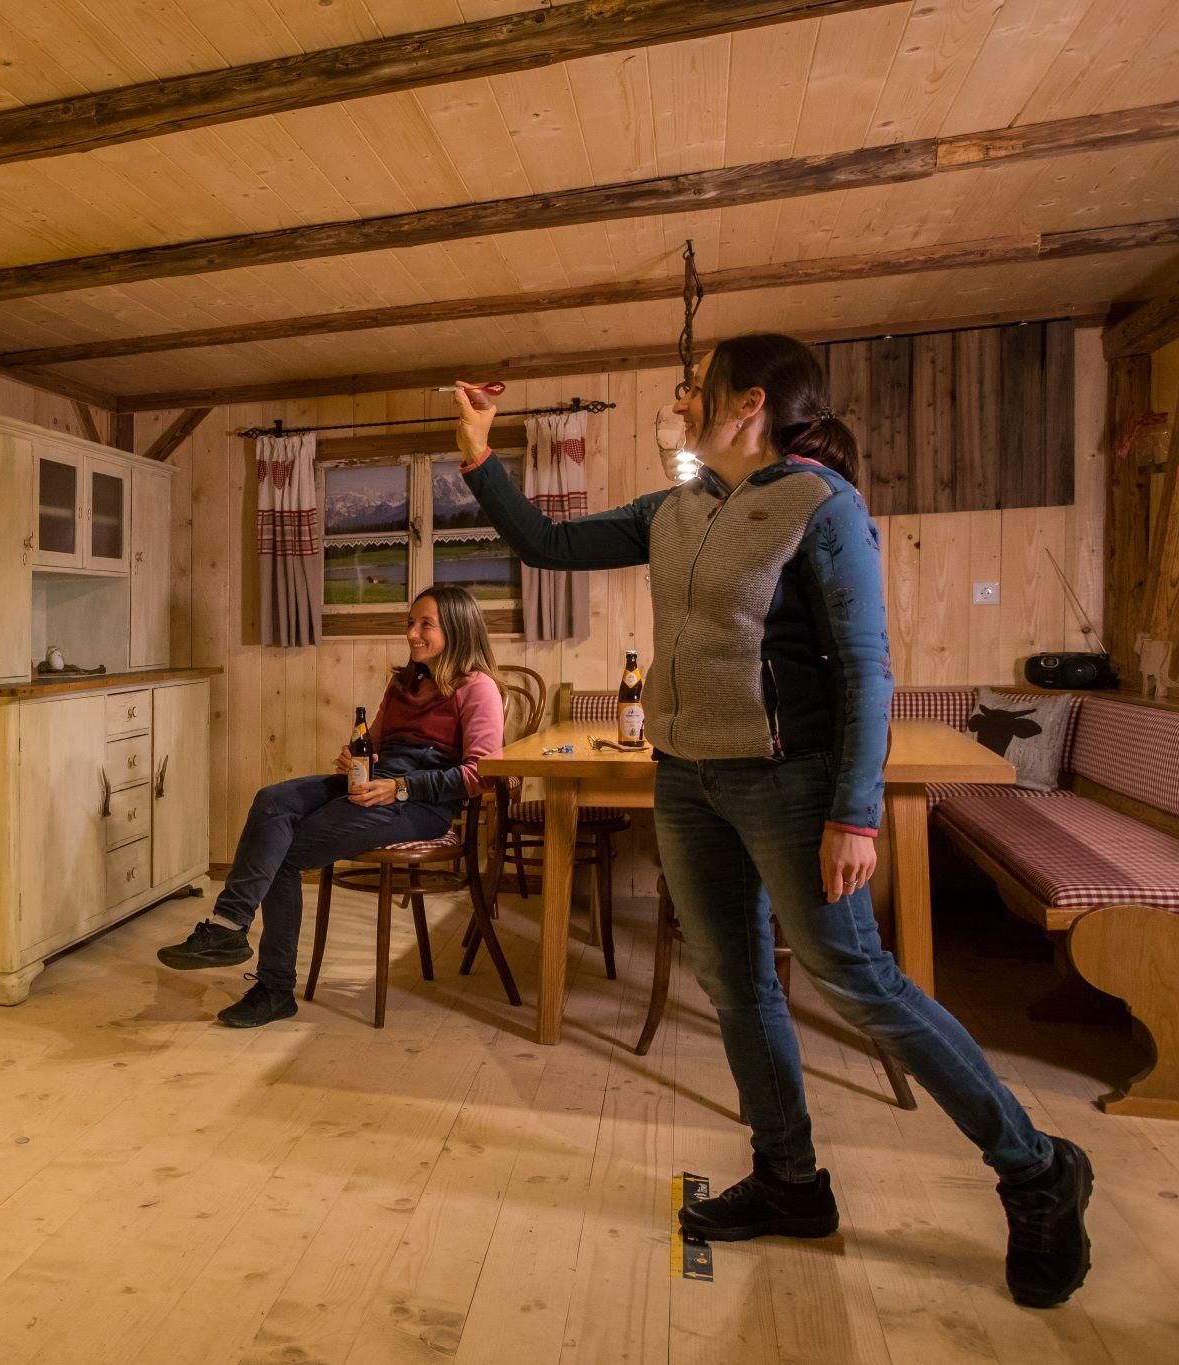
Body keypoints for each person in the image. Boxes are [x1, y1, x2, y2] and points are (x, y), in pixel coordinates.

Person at [450, 334, 1092, 1309]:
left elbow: (867, 670)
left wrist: (854, 814)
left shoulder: (821, 507)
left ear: (747, 402)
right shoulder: (674, 509)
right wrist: (477, 450)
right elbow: (549, 544)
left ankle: (1036, 1167)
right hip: (687, 780)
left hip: (791, 783)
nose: (681, 399)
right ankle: (789, 1179)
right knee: (734, 982)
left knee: (857, 980)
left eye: (695, 388)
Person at [156, 584, 503, 1027]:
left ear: (456, 629)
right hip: (375, 785)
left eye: (425, 625)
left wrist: (400, 787)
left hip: (419, 806)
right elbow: (375, 743)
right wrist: (356, 755)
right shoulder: (403, 684)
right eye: (410, 623)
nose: (412, 633)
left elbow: (480, 775)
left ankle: (274, 988)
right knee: (273, 800)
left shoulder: (478, 688)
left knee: (284, 853)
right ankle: (230, 925)